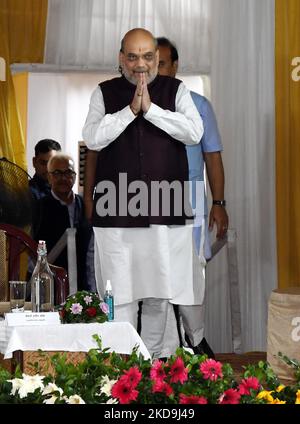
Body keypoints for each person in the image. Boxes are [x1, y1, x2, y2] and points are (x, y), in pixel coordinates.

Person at [82, 28, 204, 358]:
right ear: (122, 58)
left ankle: (151, 369)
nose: (141, 65)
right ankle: (121, 369)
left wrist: (151, 110)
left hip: (165, 208)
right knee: (120, 295)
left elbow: (194, 132)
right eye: (133, 56)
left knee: (159, 295)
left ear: (156, 59)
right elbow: (92, 137)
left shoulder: (176, 90)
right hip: (117, 210)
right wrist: (130, 112)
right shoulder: (104, 93)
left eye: (148, 57)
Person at [157, 37, 229, 358]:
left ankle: (195, 343)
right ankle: (167, 353)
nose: (154, 69)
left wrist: (219, 203)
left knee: (188, 277)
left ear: (175, 66)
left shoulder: (198, 106)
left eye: (161, 63)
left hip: (190, 200)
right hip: (149, 201)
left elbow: (212, 156)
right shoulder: (139, 107)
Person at [33, 153, 92, 291]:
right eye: (57, 173)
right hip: (48, 286)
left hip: (81, 285)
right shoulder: (38, 208)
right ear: (49, 177)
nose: (63, 178)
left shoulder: (84, 205)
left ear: (75, 176)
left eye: (68, 173)